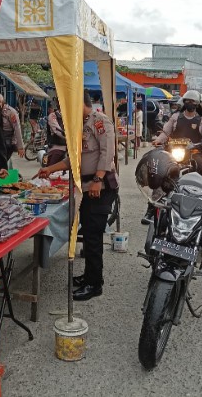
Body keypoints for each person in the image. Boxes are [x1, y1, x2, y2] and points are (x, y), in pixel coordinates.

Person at [37, 91, 118, 301]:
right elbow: (71, 160)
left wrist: (99, 179)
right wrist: (50, 169)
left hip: (99, 186)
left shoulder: (100, 121)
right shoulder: (78, 126)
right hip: (85, 185)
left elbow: (107, 152)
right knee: (89, 231)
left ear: (81, 103)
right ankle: (89, 276)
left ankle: (94, 284)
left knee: (92, 236)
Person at [153, 89, 202, 175]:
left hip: (194, 152)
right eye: (187, 100)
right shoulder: (175, 117)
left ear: (197, 103)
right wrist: (158, 140)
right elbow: (165, 132)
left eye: (192, 101)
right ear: (184, 102)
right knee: (159, 169)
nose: (189, 102)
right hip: (173, 151)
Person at [0, 92, 25, 160]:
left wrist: (20, 147)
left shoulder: (11, 113)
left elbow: (17, 129)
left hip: (7, 141)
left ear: (0, 103)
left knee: (1, 161)